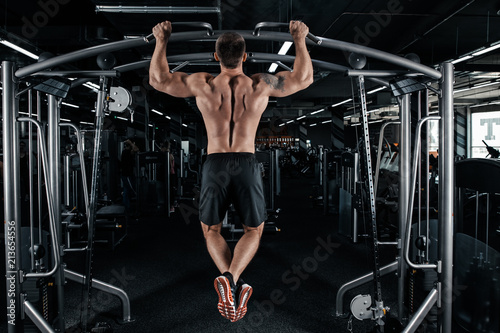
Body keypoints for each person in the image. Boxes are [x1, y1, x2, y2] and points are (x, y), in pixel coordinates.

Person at [150, 20, 313, 322]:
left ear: (216, 57)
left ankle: (229, 280)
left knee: (211, 229)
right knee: (254, 230)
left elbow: (159, 80)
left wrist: (162, 40)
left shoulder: (203, 83)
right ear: (245, 56)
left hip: (215, 163)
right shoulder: (260, 83)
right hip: (247, 163)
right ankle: (231, 278)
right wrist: (299, 39)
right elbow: (303, 79)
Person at [120, 139, 139, 214]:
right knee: (131, 190)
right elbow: (136, 149)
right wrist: (131, 143)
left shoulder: (127, 152)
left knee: (126, 190)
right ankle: (127, 208)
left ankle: (127, 208)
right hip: (126, 175)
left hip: (127, 174)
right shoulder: (126, 152)